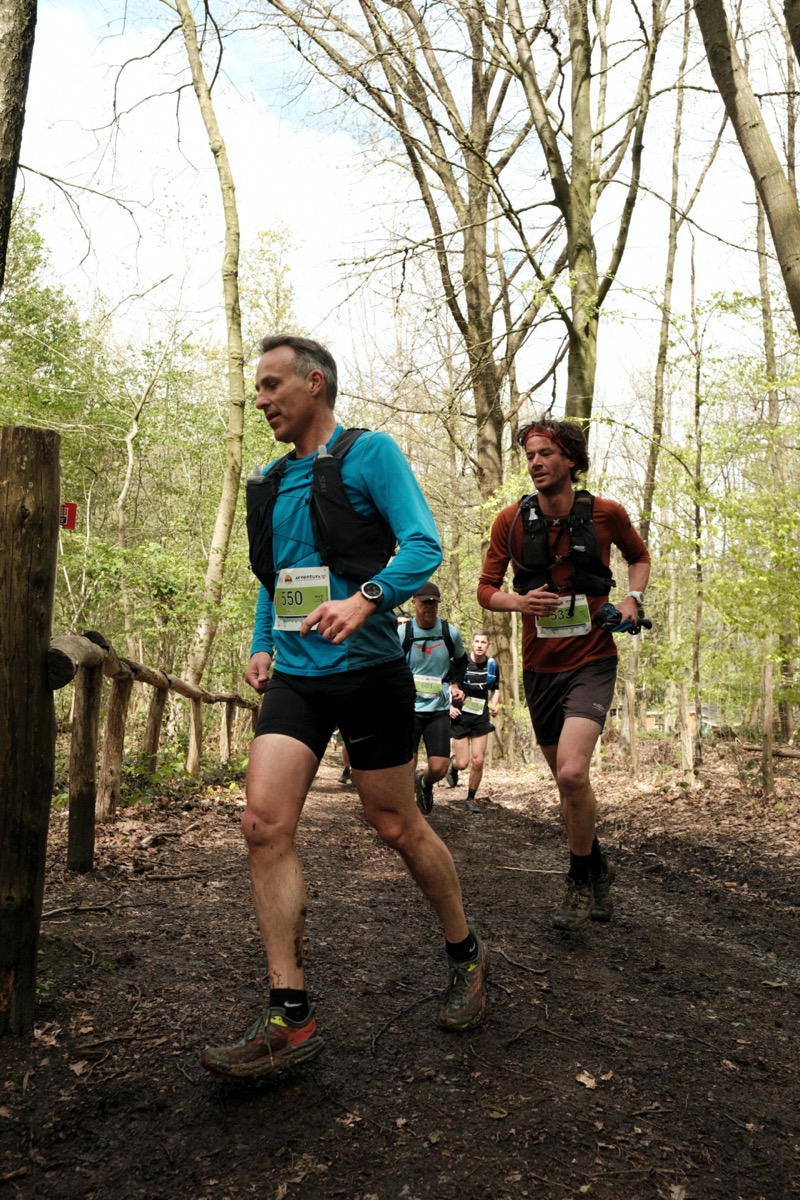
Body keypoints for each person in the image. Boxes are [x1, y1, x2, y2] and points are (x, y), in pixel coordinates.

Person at [201, 336, 487, 1080]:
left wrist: (366, 600)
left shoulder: (370, 454)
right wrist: (262, 643)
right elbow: (277, 577)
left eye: (272, 385)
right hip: (296, 678)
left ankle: (465, 953)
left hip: (367, 672)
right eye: (257, 388)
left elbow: (423, 546)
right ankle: (289, 1016)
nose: (261, 399)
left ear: (314, 383)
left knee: (395, 824)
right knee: (262, 824)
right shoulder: (272, 479)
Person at [477, 416, 650, 931]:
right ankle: (597, 866)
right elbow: (486, 589)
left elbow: (639, 558)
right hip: (540, 666)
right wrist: (518, 601)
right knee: (566, 783)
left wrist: (631, 599)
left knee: (573, 773)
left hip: (592, 659)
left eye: (545, 453)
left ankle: (576, 880)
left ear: (570, 459)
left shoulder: (606, 513)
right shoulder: (509, 521)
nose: (535, 463)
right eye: (529, 455)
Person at [401, 581, 467, 815]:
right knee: (406, 766)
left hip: (438, 708)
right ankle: (408, 813)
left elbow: (461, 660)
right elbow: (392, 664)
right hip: (409, 707)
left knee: (439, 768)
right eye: (424, 602)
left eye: (433, 603)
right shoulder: (404, 633)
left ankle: (425, 781)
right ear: (414, 602)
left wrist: (457, 684)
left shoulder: (450, 632)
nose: (429, 606)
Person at [446, 629, 500, 812]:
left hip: (480, 717)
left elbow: (495, 688)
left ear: (488, 645)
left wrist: (494, 705)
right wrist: (449, 707)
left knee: (478, 760)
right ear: (472, 643)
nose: (479, 645)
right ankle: (453, 766)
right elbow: (446, 685)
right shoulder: (460, 663)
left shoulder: (492, 664)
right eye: (477, 641)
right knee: (463, 763)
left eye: (483, 642)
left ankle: (471, 798)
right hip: (459, 716)